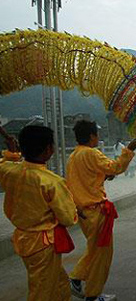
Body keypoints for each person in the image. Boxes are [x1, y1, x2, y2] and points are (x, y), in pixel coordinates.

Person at [0, 125, 78, 301]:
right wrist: (74, 210)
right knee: (42, 290)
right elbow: (67, 218)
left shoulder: (9, 171)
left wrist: (12, 154)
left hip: (22, 238)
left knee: (59, 282)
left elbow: (4, 163)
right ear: (49, 149)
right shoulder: (52, 181)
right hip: (43, 244)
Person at [67, 120, 136, 301]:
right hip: (96, 211)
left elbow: (81, 181)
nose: (98, 139)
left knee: (94, 250)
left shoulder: (73, 156)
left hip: (83, 211)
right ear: (92, 136)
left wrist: (104, 176)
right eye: (97, 135)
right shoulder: (92, 153)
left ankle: (77, 279)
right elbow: (116, 167)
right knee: (102, 254)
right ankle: (91, 293)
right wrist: (129, 149)